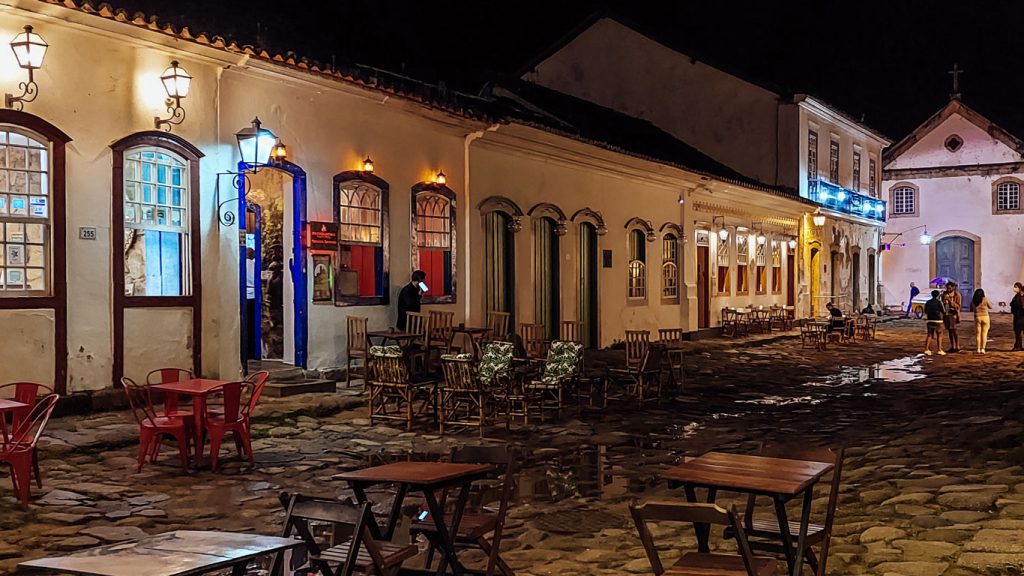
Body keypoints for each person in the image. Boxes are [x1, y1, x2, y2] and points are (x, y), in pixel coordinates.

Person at [923, 289, 946, 356]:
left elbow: (926, 311)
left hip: (930, 320)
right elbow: (943, 311)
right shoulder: (939, 302)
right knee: (939, 335)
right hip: (938, 320)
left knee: (929, 335)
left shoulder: (928, 302)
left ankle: (926, 349)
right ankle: (939, 349)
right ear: (938, 295)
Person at [942, 282, 962, 352]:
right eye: (947, 288)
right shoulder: (944, 294)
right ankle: (952, 346)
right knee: (950, 331)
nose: (948, 289)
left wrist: (950, 300)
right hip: (946, 314)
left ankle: (957, 346)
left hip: (953, 314)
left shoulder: (957, 295)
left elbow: (958, 306)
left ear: (953, 288)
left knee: (954, 330)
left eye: (949, 288)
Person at [971, 288, 992, 354]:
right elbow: (990, 307)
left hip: (977, 317)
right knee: (984, 333)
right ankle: (983, 349)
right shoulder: (985, 299)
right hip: (985, 316)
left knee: (978, 334)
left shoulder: (974, 300)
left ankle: (978, 348)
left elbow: (972, 309)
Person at [244, 247, 256, 359]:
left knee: (245, 324)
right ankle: (253, 350)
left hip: (244, 296)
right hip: (254, 296)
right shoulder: (254, 265)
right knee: (252, 325)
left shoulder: (241, 264)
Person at [1012, 282, 1024, 351]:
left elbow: (1015, 306)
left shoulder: (1019, 297)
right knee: (1018, 332)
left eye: (1016, 287)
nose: (1014, 288)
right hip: (1018, 316)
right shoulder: (1017, 296)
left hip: (1019, 317)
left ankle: (1018, 346)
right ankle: (1018, 345)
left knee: (1018, 332)